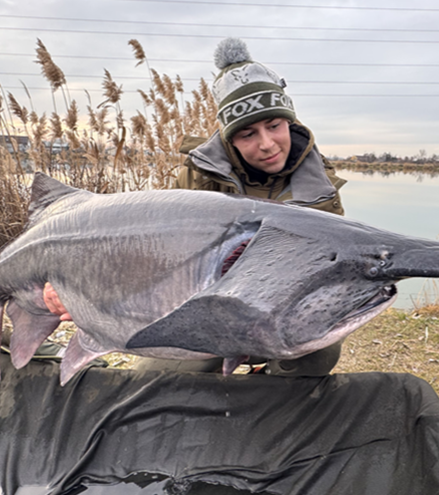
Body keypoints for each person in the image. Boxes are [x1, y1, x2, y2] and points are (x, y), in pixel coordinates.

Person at [43, 37, 347, 376]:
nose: (266, 144)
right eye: (247, 134)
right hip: (205, 312)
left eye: (274, 126)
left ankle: (266, 397)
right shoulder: (197, 175)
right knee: (153, 377)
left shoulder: (319, 184)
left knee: (321, 349)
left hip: (282, 308)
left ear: (289, 122)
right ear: (229, 139)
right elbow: (151, 255)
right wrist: (73, 285)